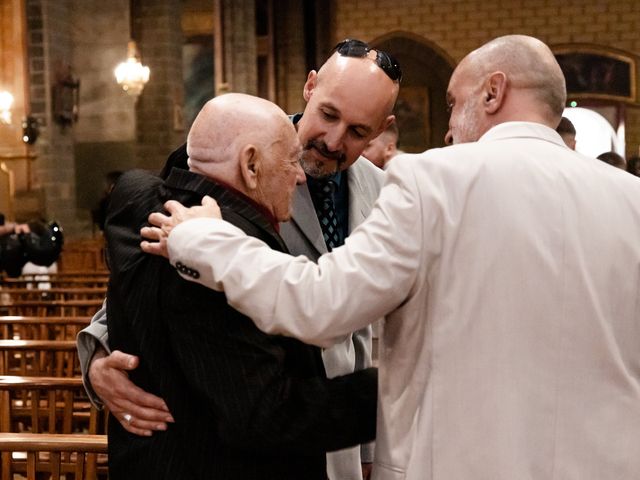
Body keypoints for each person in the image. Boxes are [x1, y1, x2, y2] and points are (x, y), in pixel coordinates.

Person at [141, 35, 640, 479]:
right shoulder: (632, 199)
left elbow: (320, 304)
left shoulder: (434, 180)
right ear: (311, 89)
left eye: (452, 103)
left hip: (461, 459)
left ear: (493, 92)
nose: (447, 130)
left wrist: (202, 239)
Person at [77, 38, 401, 480]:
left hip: (340, 439)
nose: (332, 140)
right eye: (328, 115)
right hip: (259, 431)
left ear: (383, 128)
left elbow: (363, 330)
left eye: (358, 131)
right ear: (310, 87)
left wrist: (371, 452)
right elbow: (152, 263)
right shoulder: (231, 149)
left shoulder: (388, 196)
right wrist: (97, 355)